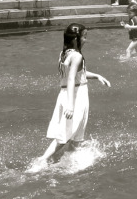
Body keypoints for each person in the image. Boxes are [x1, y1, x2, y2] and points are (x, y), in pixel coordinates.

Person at [39, 24, 111, 164]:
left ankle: (70, 163)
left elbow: (77, 75)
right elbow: (71, 78)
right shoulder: (76, 56)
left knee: (75, 134)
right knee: (64, 136)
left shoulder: (64, 53)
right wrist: (71, 105)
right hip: (76, 95)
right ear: (75, 39)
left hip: (66, 93)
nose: (85, 40)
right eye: (84, 37)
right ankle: (41, 161)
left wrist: (97, 76)